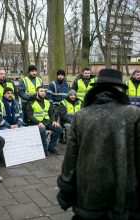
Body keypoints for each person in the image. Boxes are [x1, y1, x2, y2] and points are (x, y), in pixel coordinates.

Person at [57, 68, 140, 220]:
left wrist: (65, 190)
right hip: (125, 193)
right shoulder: (134, 114)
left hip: (89, 192)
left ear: (97, 90)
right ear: (119, 89)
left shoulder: (81, 115)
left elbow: (70, 157)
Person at [26, 86, 62, 156]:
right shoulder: (31, 102)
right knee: (42, 130)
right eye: (41, 91)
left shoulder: (47, 101)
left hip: (47, 122)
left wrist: (53, 121)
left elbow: (51, 113)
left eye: (44, 91)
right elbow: (29, 115)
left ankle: (51, 147)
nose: (43, 93)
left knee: (59, 128)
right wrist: (38, 122)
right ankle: (44, 149)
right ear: (37, 92)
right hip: (35, 123)